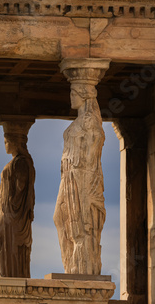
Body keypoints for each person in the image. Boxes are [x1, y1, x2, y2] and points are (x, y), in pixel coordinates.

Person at [53, 81, 106, 275]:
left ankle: (83, 268)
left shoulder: (89, 120)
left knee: (82, 222)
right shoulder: (78, 122)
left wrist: (90, 184)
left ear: (84, 96)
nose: (71, 97)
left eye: (74, 93)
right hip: (69, 174)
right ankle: (71, 264)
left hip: (82, 174)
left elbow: (93, 151)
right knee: (59, 217)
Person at [0, 121, 35, 278]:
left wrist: (8, 201)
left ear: (16, 142)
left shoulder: (21, 162)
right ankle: (3, 275)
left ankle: (6, 276)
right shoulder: (17, 161)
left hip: (12, 212)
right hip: (5, 209)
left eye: (6, 141)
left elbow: (21, 188)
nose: (5, 145)